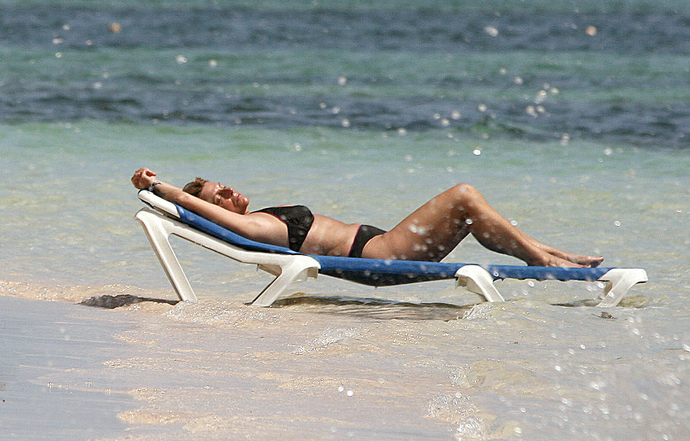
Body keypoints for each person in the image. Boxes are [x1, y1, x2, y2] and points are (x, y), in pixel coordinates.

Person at [131, 168, 601, 268]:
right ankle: (543, 260)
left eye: (224, 184)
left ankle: (550, 254)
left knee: (471, 210)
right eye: (221, 195)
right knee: (464, 196)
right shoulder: (259, 227)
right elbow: (212, 215)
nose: (230, 190)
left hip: (381, 244)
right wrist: (166, 189)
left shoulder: (262, 215)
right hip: (381, 255)